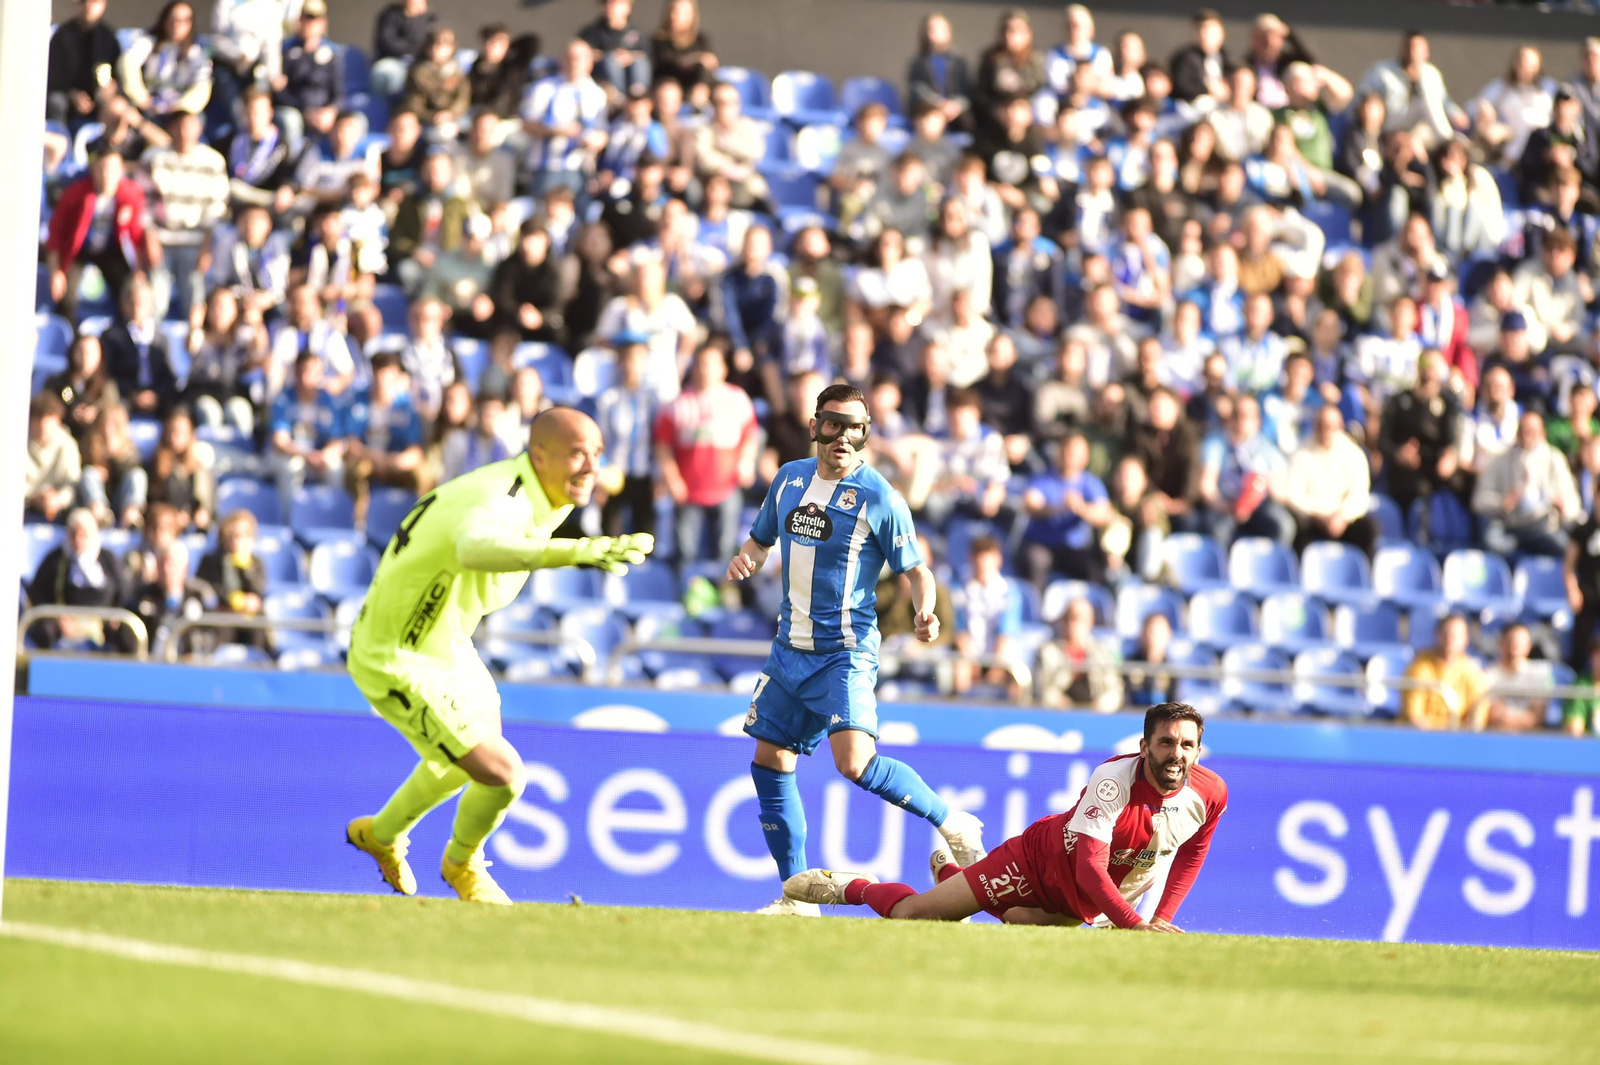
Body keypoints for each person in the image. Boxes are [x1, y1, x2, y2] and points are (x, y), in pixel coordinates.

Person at [346, 408, 653, 904]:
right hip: (395, 656)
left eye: (597, 454)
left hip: (446, 646)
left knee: (465, 759)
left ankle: (380, 836)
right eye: (577, 453)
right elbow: (473, 547)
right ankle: (462, 864)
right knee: (502, 773)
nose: (590, 466)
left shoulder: (540, 491)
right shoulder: (504, 496)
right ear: (539, 457)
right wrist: (577, 552)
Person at [726, 382, 987, 916]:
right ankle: (796, 895)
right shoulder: (789, 480)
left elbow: (917, 570)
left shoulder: (880, 498)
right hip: (787, 649)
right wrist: (746, 558)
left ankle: (950, 820)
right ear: (815, 425)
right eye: (833, 424)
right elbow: (760, 538)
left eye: (856, 428)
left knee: (854, 762)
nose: (844, 437)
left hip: (844, 651)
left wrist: (924, 611)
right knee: (769, 762)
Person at [783, 703, 1226, 933]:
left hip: (1080, 906)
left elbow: (1193, 853)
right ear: (1145, 746)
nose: (1176, 754)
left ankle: (958, 874)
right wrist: (1136, 926)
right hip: (1035, 864)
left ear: (1199, 751)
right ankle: (854, 887)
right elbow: (1091, 867)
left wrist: (1160, 920)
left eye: (1187, 745)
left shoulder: (1210, 794)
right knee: (914, 916)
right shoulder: (1113, 781)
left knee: (1018, 921)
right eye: (1166, 743)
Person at [654, 344, 758, 562]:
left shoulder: (738, 399)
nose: (705, 370)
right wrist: (672, 480)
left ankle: (724, 592)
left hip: (726, 488)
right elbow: (662, 445)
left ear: (723, 369)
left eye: (711, 365)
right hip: (688, 491)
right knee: (686, 554)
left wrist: (747, 462)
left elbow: (751, 435)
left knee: (725, 552)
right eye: (700, 365)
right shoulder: (678, 403)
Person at [46, 149, 158, 317]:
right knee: (66, 297)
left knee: (129, 291)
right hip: (79, 252)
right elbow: (55, 235)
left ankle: (122, 337)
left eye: (112, 169)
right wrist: (56, 271)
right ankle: (72, 338)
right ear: (93, 170)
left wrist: (139, 270)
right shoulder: (75, 194)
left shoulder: (132, 194)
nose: (107, 175)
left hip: (112, 251)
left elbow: (136, 236)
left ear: (122, 170)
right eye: (102, 168)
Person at [145, 109, 229, 321]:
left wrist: (206, 248)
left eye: (189, 126)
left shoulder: (213, 161)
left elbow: (216, 210)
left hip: (195, 244)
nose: (184, 132)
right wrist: (150, 239)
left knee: (195, 307)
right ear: (171, 129)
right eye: (179, 126)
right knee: (155, 305)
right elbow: (143, 206)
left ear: (199, 129)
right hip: (161, 242)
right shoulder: (153, 158)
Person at [1472, 410, 1581, 557]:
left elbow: (1573, 502)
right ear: (1517, 433)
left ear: (1543, 434)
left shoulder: (1555, 459)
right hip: (1510, 525)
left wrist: (1563, 507)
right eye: (1524, 431)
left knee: (1568, 549)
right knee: (1492, 543)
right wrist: (1501, 502)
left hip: (1543, 526)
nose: (1528, 435)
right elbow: (1478, 501)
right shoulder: (1499, 459)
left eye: (1533, 431)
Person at [26, 508, 133, 653]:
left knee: (127, 633)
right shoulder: (56, 560)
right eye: (73, 534)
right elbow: (38, 593)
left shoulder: (107, 559)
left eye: (83, 535)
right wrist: (57, 618)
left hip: (102, 623)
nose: (78, 540)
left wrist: (115, 616)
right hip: (64, 622)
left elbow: (124, 592)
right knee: (44, 630)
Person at [1283, 405, 1377, 557]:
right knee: (1296, 529)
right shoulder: (1300, 453)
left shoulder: (1354, 454)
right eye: (1322, 426)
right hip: (1312, 520)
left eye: (1331, 426)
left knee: (1370, 528)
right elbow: (1294, 495)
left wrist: (1342, 517)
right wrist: (1319, 515)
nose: (1326, 431)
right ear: (1315, 426)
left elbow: (1359, 495)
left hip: (1343, 521)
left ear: (1340, 427)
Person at [1021, 432, 1111, 588]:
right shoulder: (1043, 478)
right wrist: (1057, 508)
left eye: (1076, 453)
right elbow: (1030, 503)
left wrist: (1080, 508)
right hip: (1043, 545)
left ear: (1086, 457)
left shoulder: (1091, 483)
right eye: (1067, 451)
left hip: (1075, 548)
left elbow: (1105, 515)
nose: (1070, 457)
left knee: (1095, 573)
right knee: (1035, 562)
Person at [952, 534, 1023, 695]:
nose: (982, 563)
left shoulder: (1009, 591)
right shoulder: (959, 589)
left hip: (999, 655)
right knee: (959, 670)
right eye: (978, 557)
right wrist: (972, 662)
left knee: (1016, 678)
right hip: (970, 656)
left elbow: (1006, 633)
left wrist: (996, 666)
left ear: (998, 560)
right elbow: (960, 630)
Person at [118, 1, 212, 121]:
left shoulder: (197, 52)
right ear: (164, 20)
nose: (176, 25)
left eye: (183, 21)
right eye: (172, 19)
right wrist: (141, 98)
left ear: (190, 24)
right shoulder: (148, 42)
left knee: (190, 123)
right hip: (147, 106)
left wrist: (180, 107)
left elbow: (202, 86)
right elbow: (128, 63)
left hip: (178, 112)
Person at [101, 275, 180, 417]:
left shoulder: (161, 339)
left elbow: (168, 376)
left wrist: (155, 395)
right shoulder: (111, 336)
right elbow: (109, 374)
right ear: (123, 305)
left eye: (142, 302)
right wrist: (132, 395)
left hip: (156, 397)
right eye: (132, 302)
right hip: (125, 397)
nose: (137, 307)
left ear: (151, 306)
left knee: (179, 412)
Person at [196, 508, 270, 649]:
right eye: (234, 535)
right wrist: (233, 600)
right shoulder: (211, 560)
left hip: (248, 617)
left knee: (259, 626)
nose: (238, 540)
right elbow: (208, 587)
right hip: (222, 614)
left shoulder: (255, 563)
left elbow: (258, 590)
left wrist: (246, 569)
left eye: (244, 535)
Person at [128, 539, 214, 659]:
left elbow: (211, 632)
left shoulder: (198, 597)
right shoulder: (143, 596)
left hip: (186, 668)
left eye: (173, 564)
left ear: (185, 568)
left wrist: (195, 653)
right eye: (163, 563)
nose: (168, 570)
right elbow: (128, 633)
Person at [1036, 596, 1124, 711]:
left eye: (1078, 618)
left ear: (1090, 621)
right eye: (1068, 617)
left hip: (1096, 718)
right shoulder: (1047, 652)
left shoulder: (1102, 653)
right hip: (1057, 716)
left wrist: (1100, 707)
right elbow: (1040, 690)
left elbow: (1114, 690)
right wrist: (1060, 703)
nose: (1072, 623)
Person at [1402, 614, 1487, 731]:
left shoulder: (1472, 671)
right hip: (1423, 738)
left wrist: (1461, 739)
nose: (1450, 639)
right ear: (1437, 635)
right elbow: (1414, 715)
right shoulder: (1420, 667)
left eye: (1456, 635)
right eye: (1446, 633)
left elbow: (1477, 714)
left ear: (1466, 639)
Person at [47, 0, 121, 128]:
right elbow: (53, 76)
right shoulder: (62, 36)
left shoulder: (108, 38)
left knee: (118, 106)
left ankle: (109, 145)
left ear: (103, 5)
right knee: (56, 102)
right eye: (83, 2)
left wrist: (111, 88)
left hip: (99, 100)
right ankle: (61, 143)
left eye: (94, 2)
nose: (88, 7)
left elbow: (116, 75)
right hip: (68, 98)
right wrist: (71, 94)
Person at [908, 13, 972, 134]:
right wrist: (937, 103)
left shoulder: (959, 61)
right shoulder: (918, 62)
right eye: (932, 29)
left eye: (941, 29)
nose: (936, 33)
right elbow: (917, 88)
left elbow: (967, 92)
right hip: (928, 111)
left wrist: (957, 105)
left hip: (956, 115)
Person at [25, 393, 83, 526]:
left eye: (48, 418)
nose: (43, 424)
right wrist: (32, 497)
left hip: (59, 510)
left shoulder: (68, 445)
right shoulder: (17, 443)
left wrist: (57, 500)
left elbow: (72, 484)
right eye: (38, 418)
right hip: (23, 506)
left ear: (58, 420)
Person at [1481, 623, 1550, 733]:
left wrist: (1505, 716)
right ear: (1501, 643)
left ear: (1529, 646)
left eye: (1519, 643)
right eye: (1510, 641)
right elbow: (1491, 716)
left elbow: (1537, 718)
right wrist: (1524, 719)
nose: (1514, 647)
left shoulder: (1539, 674)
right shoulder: (1488, 675)